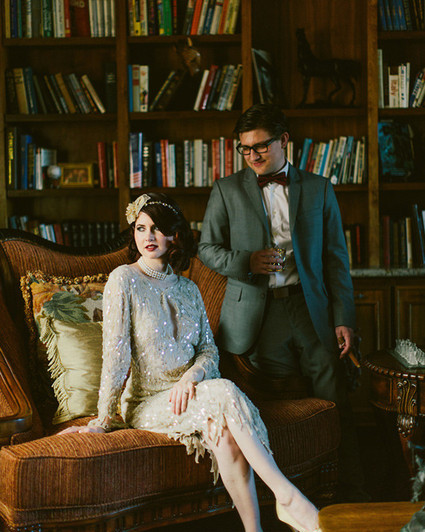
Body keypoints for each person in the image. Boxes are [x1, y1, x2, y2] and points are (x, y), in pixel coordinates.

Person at [59, 192, 322, 532]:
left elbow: (209, 351)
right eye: (141, 228)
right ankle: (286, 496)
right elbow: (115, 353)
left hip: (191, 394)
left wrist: (192, 377)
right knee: (224, 390)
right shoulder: (123, 279)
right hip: (147, 402)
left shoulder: (188, 288)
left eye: (157, 228)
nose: (148, 236)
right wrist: (104, 417)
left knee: (223, 433)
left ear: (174, 235)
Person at [198, 103, 368, 503]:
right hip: (257, 316)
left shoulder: (319, 188)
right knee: (273, 411)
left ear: (284, 141)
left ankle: (350, 497)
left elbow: (336, 259)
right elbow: (207, 248)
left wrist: (343, 318)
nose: (253, 155)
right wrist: (247, 262)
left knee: (335, 402)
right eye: (245, 148)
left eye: (261, 146)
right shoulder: (226, 189)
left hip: (311, 311)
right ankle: (288, 498)